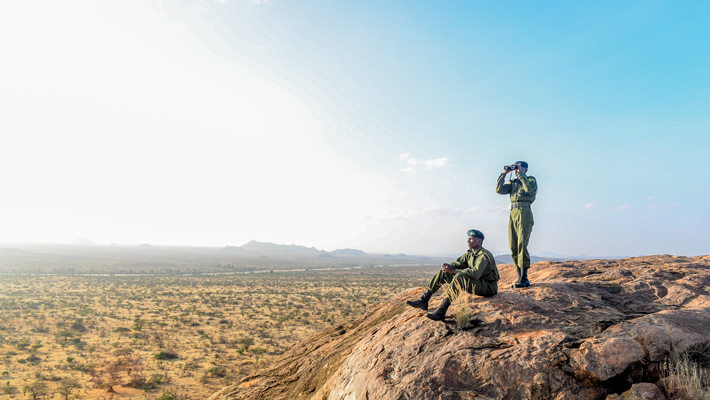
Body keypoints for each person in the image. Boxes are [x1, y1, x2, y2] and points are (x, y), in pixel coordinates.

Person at [406, 229, 500, 321]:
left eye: (471, 238)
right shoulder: (470, 253)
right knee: (444, 272)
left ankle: (441, 312)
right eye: (468, 238)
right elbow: (458, 263)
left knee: (460, 277)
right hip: (479, 283)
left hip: (489, 287)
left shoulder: (483, 256)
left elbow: (475, 274)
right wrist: (449, 267)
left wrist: (454, 271)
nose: (468, 241)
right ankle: (424, 299)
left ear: (480, 241)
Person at [496, 161, 537, 288]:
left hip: (524, 211)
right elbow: (499, 190)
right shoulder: (514, 182)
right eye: (515, 168)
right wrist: (504, 174)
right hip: (513, 212)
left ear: (525, 169)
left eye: (518, 168)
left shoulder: (530, 180)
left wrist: (520, 175)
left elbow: (528, 189)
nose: (516, 170)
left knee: (522, 244)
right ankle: (519, 277)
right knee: (513, 245)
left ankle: (524, 278)